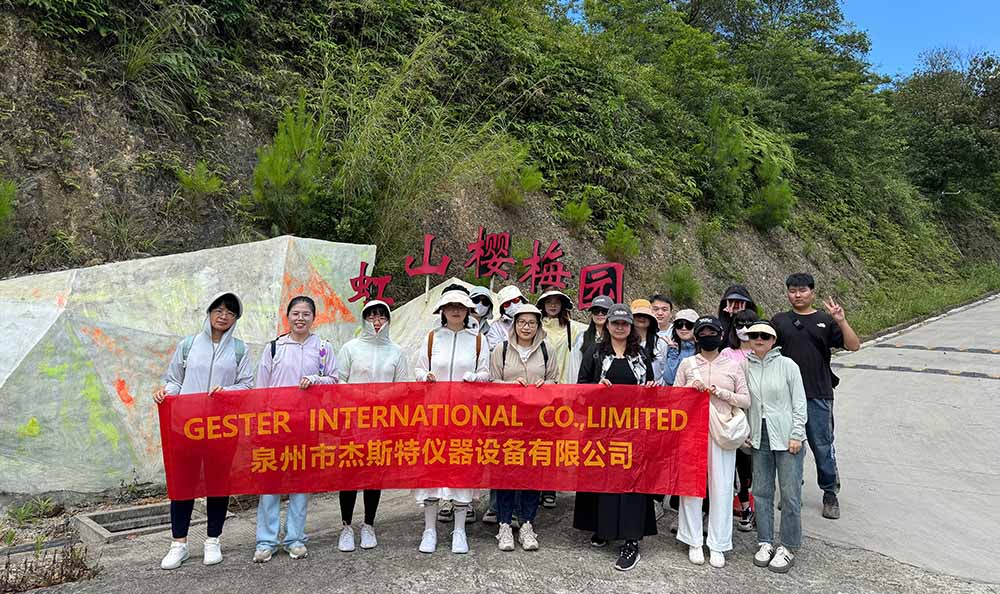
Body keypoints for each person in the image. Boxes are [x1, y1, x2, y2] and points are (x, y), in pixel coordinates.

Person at [153, 292, 254, 570]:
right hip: (187, 426)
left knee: (217, 484)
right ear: (209, 312)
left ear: (235, 320)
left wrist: (228, 391)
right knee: (182, 484)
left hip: (222, 427)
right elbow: (174, 379)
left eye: (230, 313)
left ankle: (213, 540)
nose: (223, 316)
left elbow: (246, 385)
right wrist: (166, 392)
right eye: (219, 310)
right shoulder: (188, 345)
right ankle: (179, 544)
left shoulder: (239, 350)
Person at [252, 296, 338, 563]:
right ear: (287, 316)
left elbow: (334, 381)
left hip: (307, 426)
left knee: (301, 483)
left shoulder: (323, 348)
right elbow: (260, 389)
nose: (301, 318)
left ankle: (295, 538)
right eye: (296, 313)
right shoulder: (275, 347)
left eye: (306, 314)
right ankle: (266, 541)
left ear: (314, 318)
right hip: (276, 425)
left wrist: (316, 379)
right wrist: (260, 425)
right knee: (271, 484)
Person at [573, 303, 656, 572]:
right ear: (607, 325)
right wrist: (597, 388)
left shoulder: (641, 355)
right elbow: (581, 385)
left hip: (633, 430)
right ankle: (603, 528)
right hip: (602, 429)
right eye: (615, 323)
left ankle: (631, 540)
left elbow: (651, 390)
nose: (620, 327)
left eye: (625, 323)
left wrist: (652, 389)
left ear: (631, 327)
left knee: (631, 482)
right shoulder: (595, 353)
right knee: (603, 478)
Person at [772, 273, 860, 520]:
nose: (797, 295)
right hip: (785, 397)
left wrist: (841, 321)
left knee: (822, 446)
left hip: (818, 394)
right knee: (790, 448)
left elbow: (853, 346)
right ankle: (792, 493)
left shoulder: (825, 320)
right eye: (792, 290)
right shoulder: (779, 321)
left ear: (812, 292)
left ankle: (830, 493)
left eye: (802, 290)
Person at [414, 289, 490, 554]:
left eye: (461, 306)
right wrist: (426, 377)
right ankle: (429, 530)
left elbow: (486, 373)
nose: (455, 310)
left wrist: (474, 377)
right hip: (434, 414)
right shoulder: (433, 338)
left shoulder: (478, 340)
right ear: (443, 311)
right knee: (432, 470)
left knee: (461, 469)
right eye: (450, 306)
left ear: (468, 311)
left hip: (465, 416)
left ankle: (459, 530)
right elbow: (419, 368)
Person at [673, 316, 750, 569]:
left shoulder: (733, 366)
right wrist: (689, 391)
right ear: (696, 337)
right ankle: (693, 539)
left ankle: (718, 543)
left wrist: (722, 393)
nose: (708, 336)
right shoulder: (687, 364)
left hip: (722, 432)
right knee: (691, 487)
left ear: (720, 335)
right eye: (702, 332)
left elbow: (746, 400)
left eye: (712, 332)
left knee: (722, 487)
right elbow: (673, 399)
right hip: (691, 432)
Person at [334, 300, 411, 552]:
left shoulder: (396, 351)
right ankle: (346, 526)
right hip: (352, 420)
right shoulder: (350, 348)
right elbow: (339, 381)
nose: (376, 321)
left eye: (381, 317)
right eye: (371, 317)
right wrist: (360, 396)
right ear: (364, 319)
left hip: (382, 422)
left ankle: (369, 524)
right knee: (349, 473)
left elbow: (403, 387)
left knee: (374, 475)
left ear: (388, 320)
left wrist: (383, 398)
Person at [488, 303, 558, 551]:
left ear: (538, 325)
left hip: (537, 422)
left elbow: (555, 380)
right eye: (521, 322)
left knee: (533, 472)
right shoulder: (502, 349)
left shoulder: (547, 349)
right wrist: (507, 385)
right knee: (506, 472)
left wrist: (545, 383)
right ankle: (505, 525)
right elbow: (491, 382)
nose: (526, 327)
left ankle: (527, 523)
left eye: (531, 323)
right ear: (514, 324)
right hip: (506, 422)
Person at [743, 320, 807, 574]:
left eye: (764, 335)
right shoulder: (745, 366)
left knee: (790, 494)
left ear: (773, 340)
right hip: (759, 436)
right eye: (754, 335)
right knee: (761, 492)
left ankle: (788, 545)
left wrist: (797, 434)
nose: (759, 339)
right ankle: (765, 541)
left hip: (786, 436)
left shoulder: (787, 365)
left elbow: (799, 403)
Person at [535, 289, 587, 510]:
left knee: (556, 443)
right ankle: (535, 485)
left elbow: (594, 332)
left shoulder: (572, 329)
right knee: (537, 441)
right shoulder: (535, 326)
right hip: (538, 392)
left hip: (562, 392)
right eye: (549, 302)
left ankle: (550, 488)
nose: (553, 306)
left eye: (557, 302)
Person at [720, 309, 760, 532]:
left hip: (758, 412)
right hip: (733, 412)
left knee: (754, 463)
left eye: (749, 323)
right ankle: (743, 506)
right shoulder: (727, 352)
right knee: (737, 460)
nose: (744, 328)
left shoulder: (762, 349)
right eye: (739, 323)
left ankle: (753, 504)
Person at [568, 295, 613, 383]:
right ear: (591, 315)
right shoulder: (582, 338)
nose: (600, 314)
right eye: (596, 311)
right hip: (588, 389)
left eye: (604, 311)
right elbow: (574, 367)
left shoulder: (617, 338)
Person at [660, 308, 699, 386]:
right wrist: (673, 353)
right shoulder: (670, 348)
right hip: (676, 395)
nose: (683, 328)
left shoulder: (704, 348)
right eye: (679, 324)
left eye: (689, 325)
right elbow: (669, 379)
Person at [630, 299, 667, 373]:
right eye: (638, 315)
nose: (641, 318)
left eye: (646, 315)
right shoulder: (623, 341)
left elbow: (664, 368)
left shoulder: (660, 343)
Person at [485, 284, 526, 350]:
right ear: (502, 308)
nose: (513, 305)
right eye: (507, 303)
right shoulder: (496, 327)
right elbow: (494, 349)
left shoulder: (534, 320)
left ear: (522, 300)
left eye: (516, 300)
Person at [648, 294, 676, 379]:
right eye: (655, 309)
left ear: (671, 313)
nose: (660, 313)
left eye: (664, 309)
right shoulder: (643, 332)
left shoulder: (677, 332)